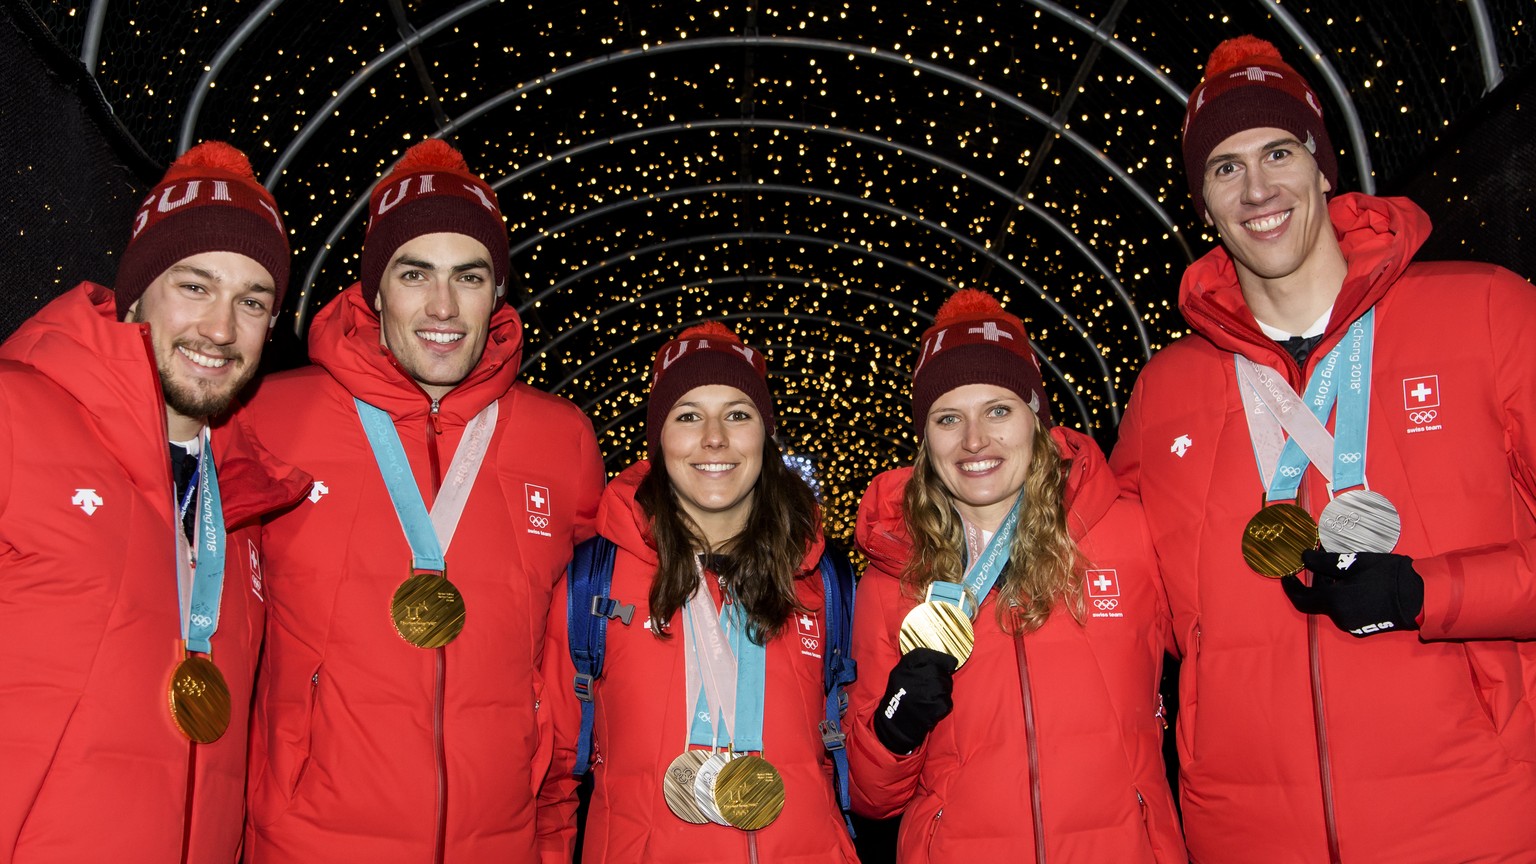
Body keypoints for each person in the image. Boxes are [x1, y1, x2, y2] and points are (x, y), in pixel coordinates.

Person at [1109, 35, 1536, 862]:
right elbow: (1121, 607)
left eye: (1278, 152)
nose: (1257, 188)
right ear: (1200, 202)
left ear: (1323, 167)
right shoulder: (1165, 391)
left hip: (1478, 823)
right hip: (1249, 834)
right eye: (1225, 168)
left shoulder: (1487, 314)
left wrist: (1432, 592)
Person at [237, 139, 605, 862]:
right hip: (311, 845)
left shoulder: (561, 441)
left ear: (497, 291)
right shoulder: (268, 419)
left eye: (469, 277)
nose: (443, 307)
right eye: (415, 274)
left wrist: (551, 839)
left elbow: (570, 663)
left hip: (497, 845)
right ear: (375, 291)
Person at [0, 142, 310, 862]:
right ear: (137, 290)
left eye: (252, 301)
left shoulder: (244, 508)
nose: (221, 330)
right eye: (195, 287)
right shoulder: (15, 416)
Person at [843, 289, 1184, 863]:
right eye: (949, 418)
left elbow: (1214, 657)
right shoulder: (893, 576)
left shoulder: (1128, 533)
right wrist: (894, 727)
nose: (975, 441)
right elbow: (871, 796)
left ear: (1036, 417)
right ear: (926, 441)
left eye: (998, 410)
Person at [536, 321, 861, 863]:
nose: (715, 437)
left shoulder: (824, 579)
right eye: (688, 416)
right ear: (658, 439)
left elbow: (858, 767)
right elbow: (550, 780)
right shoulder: (596, 579)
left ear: (765, 434)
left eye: (738, 414)